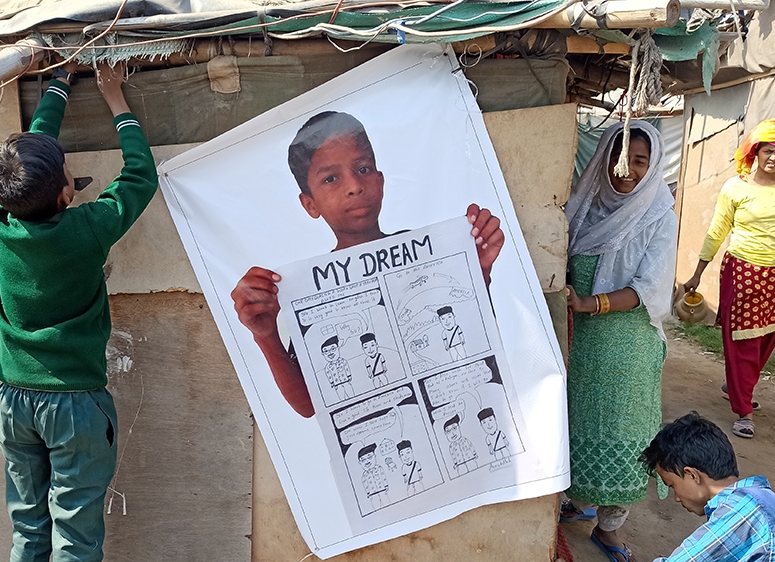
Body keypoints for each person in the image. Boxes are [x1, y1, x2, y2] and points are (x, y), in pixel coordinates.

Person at [0, 61, 158, 561]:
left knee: (29, 532)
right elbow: (141, 177)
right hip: (74, 406)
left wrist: (58, 81)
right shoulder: (87, 231)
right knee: (75, 540)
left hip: (14, 400)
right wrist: (115, 98)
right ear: (65, 194)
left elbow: (32, 148)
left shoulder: (2, 221)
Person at [230, 111, 505, 417]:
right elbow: (308, 405)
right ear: (310, 204)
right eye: (331, 178)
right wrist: (265, 336)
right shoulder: (314, 289)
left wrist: (477, 274)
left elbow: (472, 344)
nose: (354, 186)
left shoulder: (425, 256)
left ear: (380, 180)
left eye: (363, 169)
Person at [561, 120, 678, 562]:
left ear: (652, 167)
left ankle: (609, 529)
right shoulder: (583, 207)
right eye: (617, 158)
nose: (625, 169)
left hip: (628, 345)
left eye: (639, 161)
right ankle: (575, 500)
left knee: (622, 433)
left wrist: (590, 304)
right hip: (580, 339)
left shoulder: (658, 217)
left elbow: (649, 289)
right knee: (575, 424)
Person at [682, 116, 775, 440]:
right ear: (755, 151)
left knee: (767, 338)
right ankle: (743, 409)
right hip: (744, 271)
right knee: (744, 341)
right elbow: (717, 231)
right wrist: (697, 273)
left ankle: (738, 384)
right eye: (768, 151)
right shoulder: (735, 187)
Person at [639, 412, 775, 561]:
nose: (676, 497)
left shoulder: (741, 512)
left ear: (693, 475)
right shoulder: (762, 501)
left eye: (672, 485)